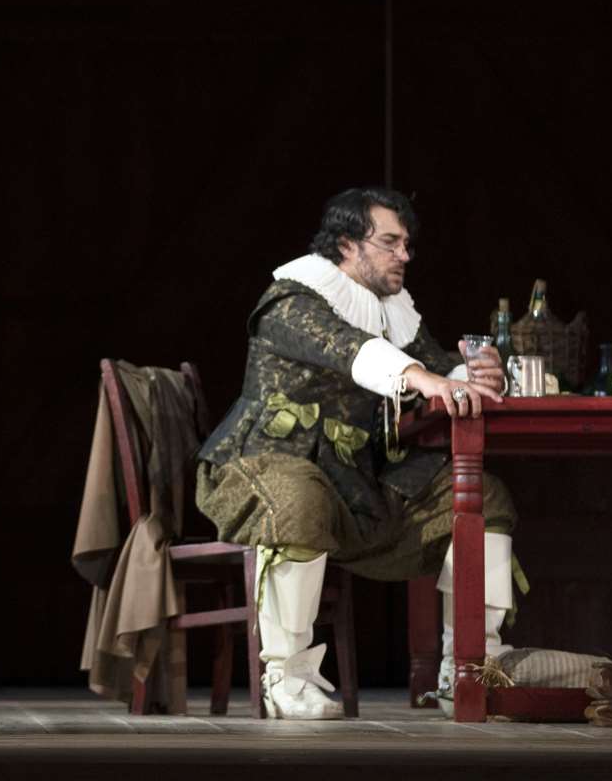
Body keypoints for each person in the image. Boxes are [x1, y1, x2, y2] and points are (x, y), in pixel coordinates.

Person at [195, 187, 521, 719]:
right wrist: (423, 377)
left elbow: (435, 361)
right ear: (348, 245)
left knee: (481, 496)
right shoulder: (292, 300)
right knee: (299, 499)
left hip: (351, 485)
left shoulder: (390, 312)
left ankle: (466, 666)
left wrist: (473, 375)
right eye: (390, 242)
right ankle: (287, 676)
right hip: (259, 464)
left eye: (407, 244)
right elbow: (346, 348)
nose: (404, 255)